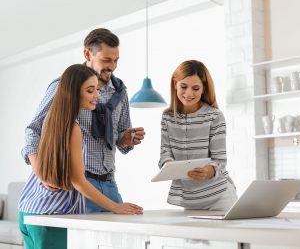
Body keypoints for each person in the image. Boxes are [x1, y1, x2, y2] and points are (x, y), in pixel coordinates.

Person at [18, 64, 143, 249]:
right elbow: (78, 180)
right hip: (52, 218)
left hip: (29, 211)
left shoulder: (52, 119)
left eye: (96, 89)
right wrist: (115, 206)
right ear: (73, 93)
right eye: (90, 91)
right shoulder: (73, 129)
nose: (97, 96)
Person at [21, 28, 145, 213]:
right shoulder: (64, 87)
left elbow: (120, 140)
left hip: (109, 184)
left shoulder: (120, 92)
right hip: (78, 186)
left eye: (116, 60)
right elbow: (33, 130)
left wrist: (125, 138)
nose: (112, 66)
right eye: (106, 60)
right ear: (88, 53)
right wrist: (42, 174)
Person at [158, 60, 237, 211]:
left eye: (195, 88)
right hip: (190, 200)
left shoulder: (214, 116)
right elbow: (164, 153)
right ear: (175, 84)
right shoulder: (167, 117)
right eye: (183, 86)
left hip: (220, 197)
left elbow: (220, 161)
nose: (189, 94)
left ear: (203, 89)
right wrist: (169, 165)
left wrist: (208, 171)